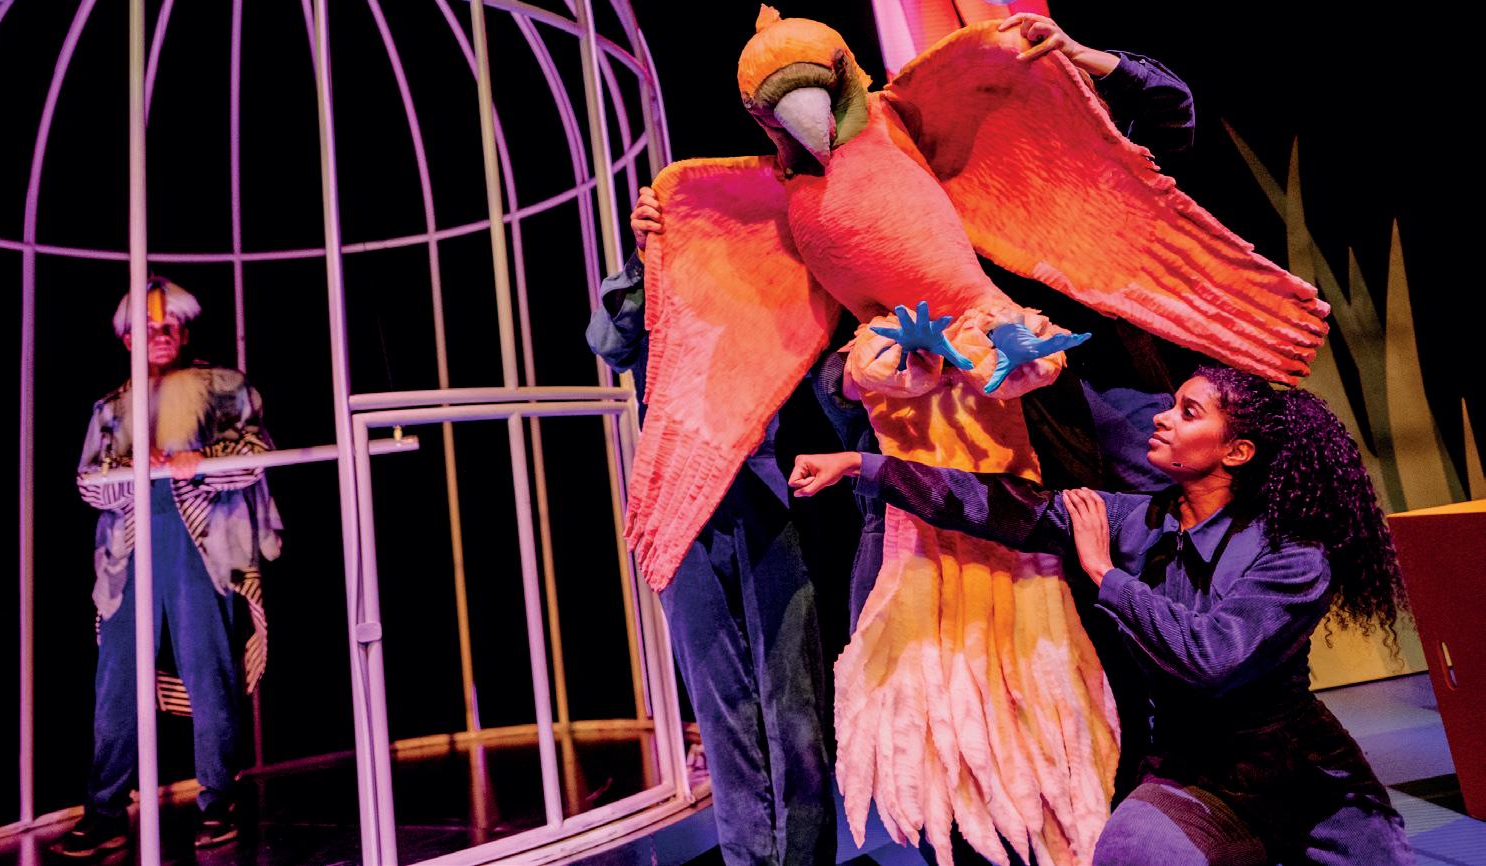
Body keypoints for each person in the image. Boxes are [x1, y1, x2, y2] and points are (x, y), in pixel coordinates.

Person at [788, 367, 1414, 866]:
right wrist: (863, 466)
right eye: (1172, 404)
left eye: (1188, 412)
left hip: (1304, 778)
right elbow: (1005, 505)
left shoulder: (1293, 555)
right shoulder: (1134, 519)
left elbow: (1214, 656)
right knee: (1131, 852)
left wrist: (1105, 575)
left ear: (1237, 451)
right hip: (1192, 772)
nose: (1162, 417)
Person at [588, 198, 835, 866]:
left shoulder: (769, 278)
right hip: (680, 507)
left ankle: (805, 858)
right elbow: (608, 343)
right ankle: (748, 858)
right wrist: (644, 259)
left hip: (768, 497)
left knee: (795, 706)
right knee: (722, 710)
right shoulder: (660, 276)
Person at [54, 276, 283, 857]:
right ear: (128, 338)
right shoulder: (112, 406)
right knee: (116, 684)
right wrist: (135, 470)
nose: (160, 335)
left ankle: (218, 803)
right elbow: (89, 483)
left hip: (201, 548)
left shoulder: (223, 386)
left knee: (210, 675)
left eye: (169, 325)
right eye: (148, 328)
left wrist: (199, 460)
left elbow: (257, 455)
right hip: (130, 553)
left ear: (183, 332)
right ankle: (105, 812)